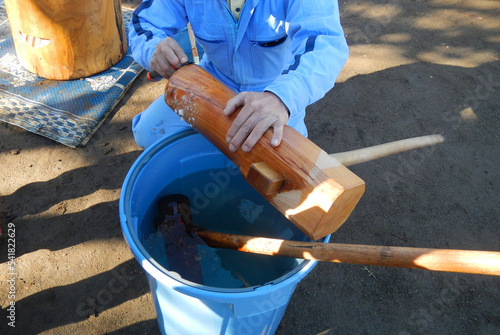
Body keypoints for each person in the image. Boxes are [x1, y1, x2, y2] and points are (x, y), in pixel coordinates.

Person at [129, 0, 348, 152]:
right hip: (214, 76)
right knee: (148, 134)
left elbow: (325, 43)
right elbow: (146, 22)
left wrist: (282, 98)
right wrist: (153, 47)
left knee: (289, 169)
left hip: (275, 89)